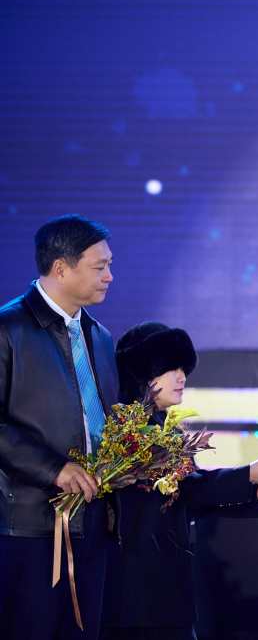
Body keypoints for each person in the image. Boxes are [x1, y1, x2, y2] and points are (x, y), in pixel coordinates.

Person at [101, 322, 258, 640]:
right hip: (136, 592)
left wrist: (255, 493)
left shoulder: (166, 428)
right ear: (143, 372)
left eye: (183, 368)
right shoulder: (129, 430)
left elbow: (188, 496)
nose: (181, 377)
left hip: (166, 590)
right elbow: (187, 487)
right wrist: (247, 475)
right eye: (171, 368)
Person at [0, 214, 117, 639]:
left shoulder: (99, 336)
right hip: (29, 526)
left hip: (94, 523)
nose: (109, 276)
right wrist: (55, 469)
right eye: (99, 266)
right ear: (61, 268)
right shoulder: (8, 329)